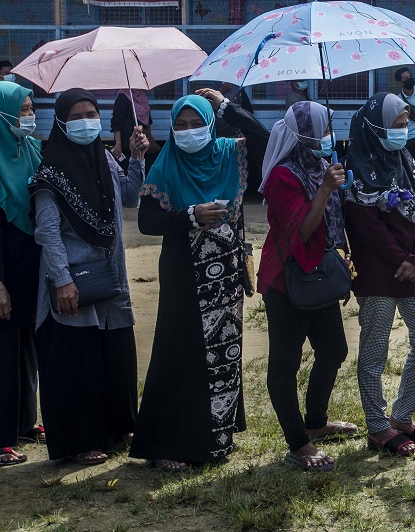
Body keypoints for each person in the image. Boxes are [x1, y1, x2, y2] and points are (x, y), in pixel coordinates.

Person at [130, 89, 268, 472]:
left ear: (210, 124)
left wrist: (228, 107)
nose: (189, 132)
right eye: (181, 125)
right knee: (182, 352)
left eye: (197, 124)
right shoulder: (166, 164)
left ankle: (218, 436)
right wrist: (191, 215)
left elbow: (265, 140)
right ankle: (171, 443)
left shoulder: (229, 152)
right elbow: (146, 221)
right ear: (172, 129)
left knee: (224, 351)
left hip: (225, 271)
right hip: (183, 273)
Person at [30, 88, 148, 465]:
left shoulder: (106, 162)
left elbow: (129, 197)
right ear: (62, 123)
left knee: (114, 355)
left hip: (110, 277)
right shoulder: (50, 172)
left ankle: (118, 428)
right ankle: (81, 441)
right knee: (78, 362)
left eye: (92, 114)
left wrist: (137, 157)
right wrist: (62, 280)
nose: (87, 122)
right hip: (74, 281)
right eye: (78, 116)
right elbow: (48, 232)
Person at [257, 101, 358, 471]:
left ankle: (315, 422)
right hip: (286, 280)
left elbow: (334, 223)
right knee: (285, 364)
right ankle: (297, 443)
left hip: (318, 273)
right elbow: (301, 230)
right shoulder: (282, 177)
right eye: (323, 126)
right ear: (305, 132)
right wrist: (325, 191)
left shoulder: (320, 166)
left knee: (333, 349)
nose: (328, 133)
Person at [344, 92, 415, 458]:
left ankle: (402, 416)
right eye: (397, 126)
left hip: (414, 272)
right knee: (374, 353)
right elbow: (367, 227)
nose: (403, 132)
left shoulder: (407, 164)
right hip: (377, 275)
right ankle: (378, 426)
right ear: (374, 127)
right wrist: (404, 259)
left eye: (405, 125)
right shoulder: (354, 172)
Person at [0, 81, 43, 466]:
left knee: (27, 345)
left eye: (30, 109)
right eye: (22, 110)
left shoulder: (30, 149)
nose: (28, 116)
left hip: (30, 266)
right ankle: (0, 439)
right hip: (3, 271)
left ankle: (26, 422)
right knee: (2, 351)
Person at [111, 90, 160, 172]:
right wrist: (118, 143)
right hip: (127, 144)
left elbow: (148, 122)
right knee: (127, 169)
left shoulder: (143, 98)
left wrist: (149, 140)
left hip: (142, 142)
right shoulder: (123, 97)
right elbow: (117, 122)